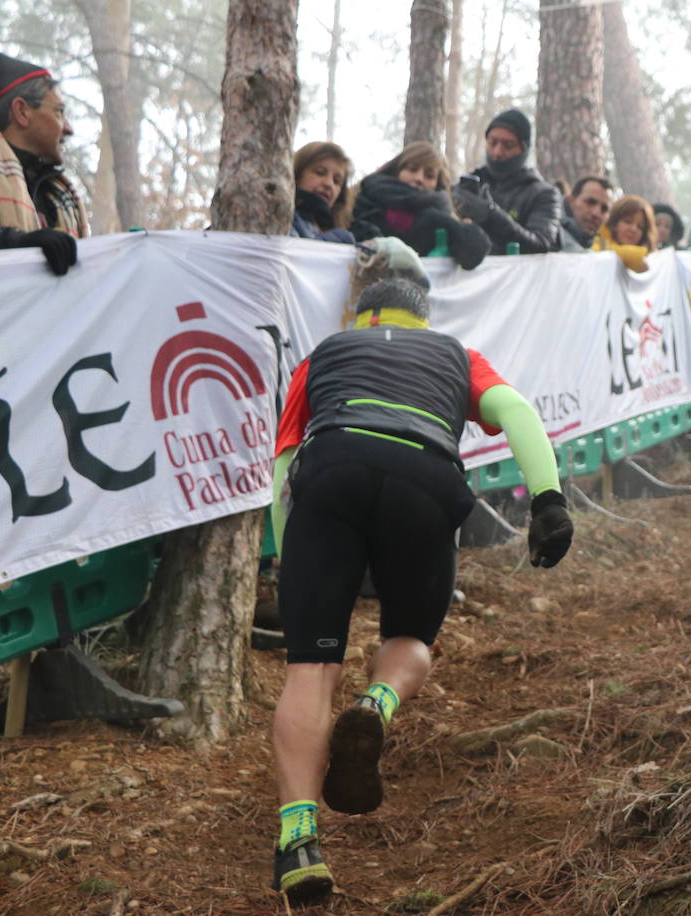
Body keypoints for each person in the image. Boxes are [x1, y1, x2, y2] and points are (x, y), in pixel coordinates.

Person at [267, 278, 574, 904]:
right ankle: (377, 706)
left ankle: (297, 840)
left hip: (331, 470)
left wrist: (285, 556)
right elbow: (516, 410)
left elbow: (284, 458)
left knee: (311, 667)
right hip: (423, 474)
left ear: (361, 315)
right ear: (423, 318)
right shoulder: (454, 355)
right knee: (410, 637)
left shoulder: (322, 355)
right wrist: (548, 501)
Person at [0, 49, 84, 274]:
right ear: (22, 111)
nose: (69, 129)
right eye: (59, 112)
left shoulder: (54, 193)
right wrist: (17, 245)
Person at [349, 142, 490, 270]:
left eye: (429, 176)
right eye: (412, 169)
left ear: (437, 184)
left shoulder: (440, 215)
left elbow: (474, 253)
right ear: (397, 171)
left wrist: (445, 223)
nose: (419, 179)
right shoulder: (364, 200)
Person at [452, 108, 562, 254]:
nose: (497, 152)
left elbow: (542, 243)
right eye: (492, 143)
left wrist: (491, 215)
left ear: (524, 150)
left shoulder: (545, 195)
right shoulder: (466, 186)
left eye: (508, 145)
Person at [291, 141, 356, 243]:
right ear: (297, 175)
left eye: (336, 181)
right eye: (320, 172)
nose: (329, 184)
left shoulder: (327, 228)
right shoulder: (282, 217)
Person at [596, 194, 656, 272]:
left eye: (640, 227)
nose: (634, 229)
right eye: (628, 222)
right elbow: (601, 253)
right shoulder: (602, 241)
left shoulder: (653, 260)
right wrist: (637, 258)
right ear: (614, 223)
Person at [559, 175, 612, 252]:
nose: (596, 213)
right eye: (590, 202)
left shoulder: (603, 246)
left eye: (604, 209)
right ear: (570, 200)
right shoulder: (546, 234)